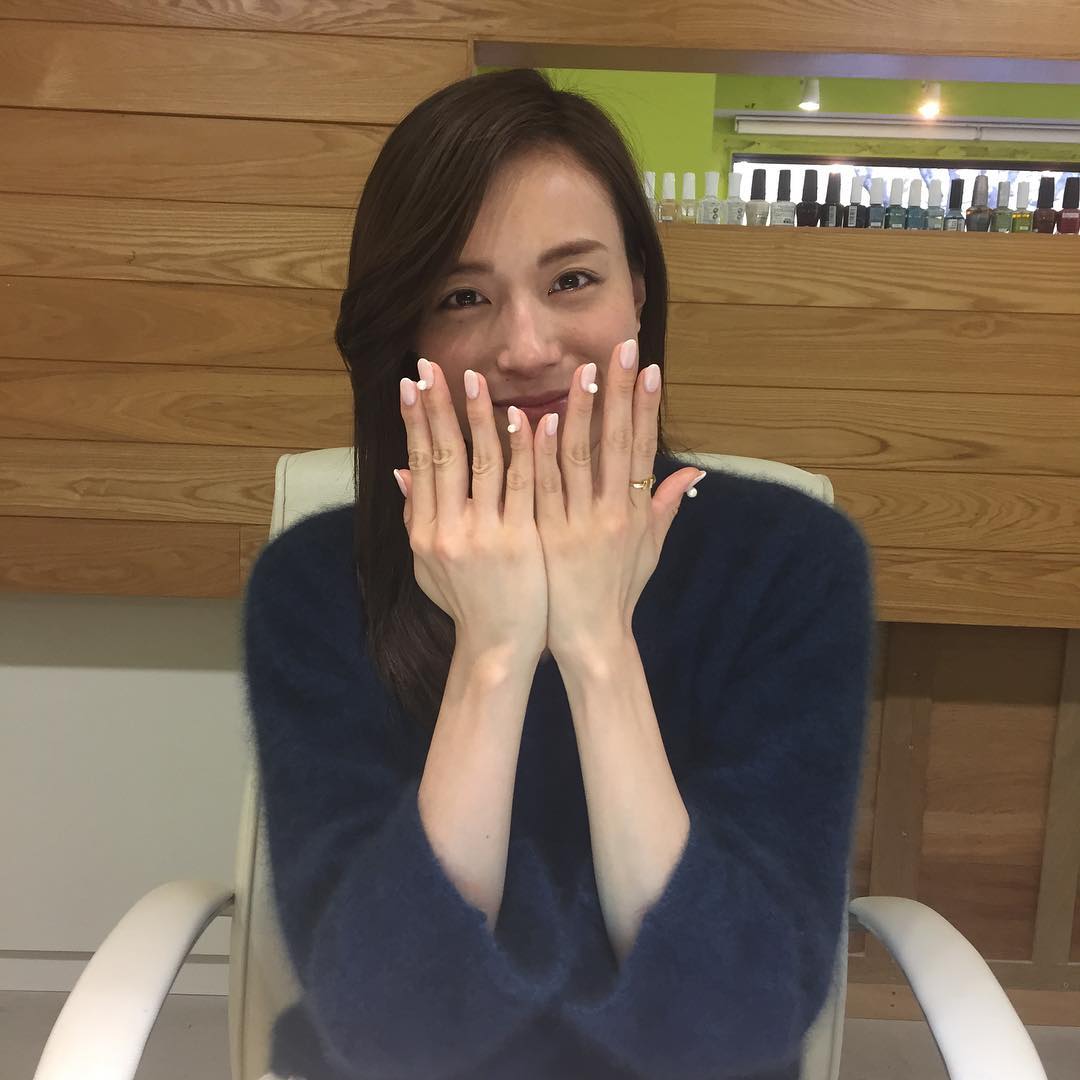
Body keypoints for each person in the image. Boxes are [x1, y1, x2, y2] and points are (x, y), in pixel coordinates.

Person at [243, 67, 876, 1080]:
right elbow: (386, 1026)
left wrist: (593, 644)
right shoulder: (316, 584)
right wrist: (493, 655)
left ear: (639, 293)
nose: (527, 347)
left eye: (572, 280)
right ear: (407, 337)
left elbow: (736, 1024)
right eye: (462, 297)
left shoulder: (790, 565)